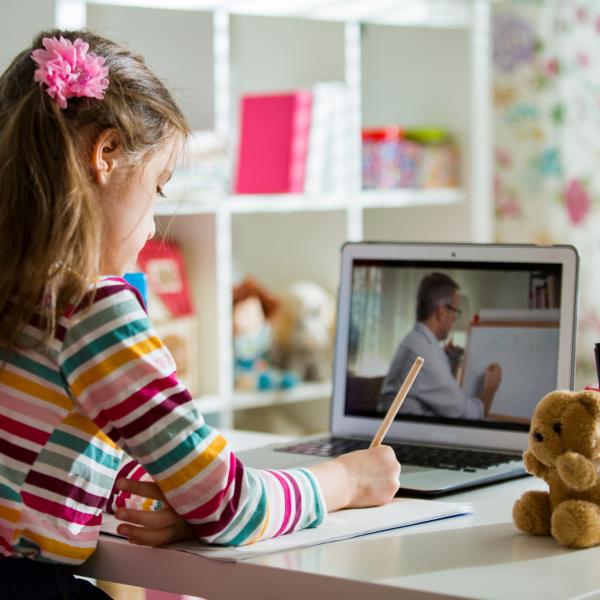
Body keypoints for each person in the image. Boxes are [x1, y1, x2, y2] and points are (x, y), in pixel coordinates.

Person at [0, 30, 401, 598]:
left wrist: (165, 490)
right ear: (106, 155)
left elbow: (41, 453)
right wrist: (345, 478)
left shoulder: (18, 292)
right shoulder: (90, 308)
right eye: (159, 185)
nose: (154, 222)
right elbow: (233, 506)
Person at [378, 272, 502, 419]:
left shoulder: (416, 342)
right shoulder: (423, 353)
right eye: (455, 311)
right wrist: (490, 388)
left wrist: (449, 363)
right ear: (442, 312)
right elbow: (467, 414)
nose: (454, 319)